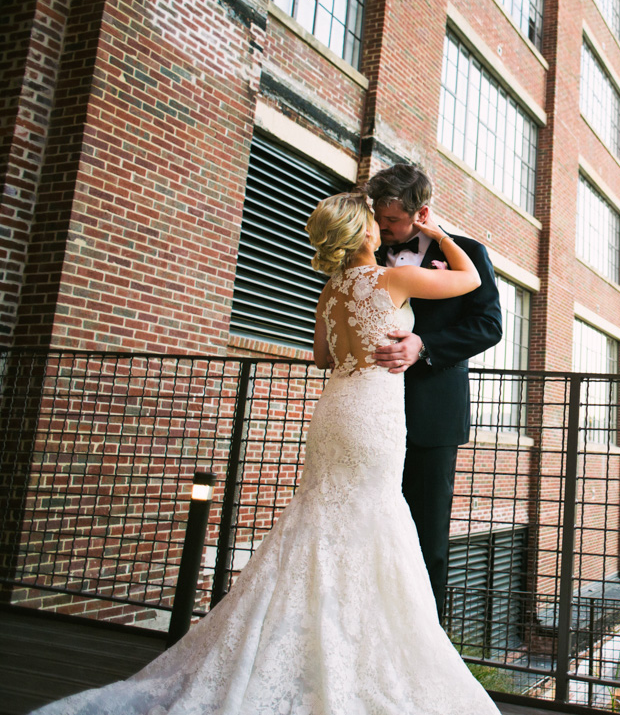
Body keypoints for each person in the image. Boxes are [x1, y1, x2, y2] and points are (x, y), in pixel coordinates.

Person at [27, 191, 500, 714]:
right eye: (374, 222)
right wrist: (439, 234)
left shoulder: (331, 288)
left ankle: (311, 639)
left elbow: (323, 355)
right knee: (373, 519)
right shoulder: (389, 280)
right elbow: (471, 280)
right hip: (373, 417)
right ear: (365, 233)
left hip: (335, 411)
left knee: (318, 520)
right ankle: (352, 645)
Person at [365, 164, 502, 620]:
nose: (383, 231)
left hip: (432, 415)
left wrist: (425, 345)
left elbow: (489, 326)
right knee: (366, 526)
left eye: (392, 222)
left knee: (428, 538)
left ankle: (424, 640)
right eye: (379, 219)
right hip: (368, 409)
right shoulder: (363, 250)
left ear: (420, 213)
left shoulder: (468, 253)